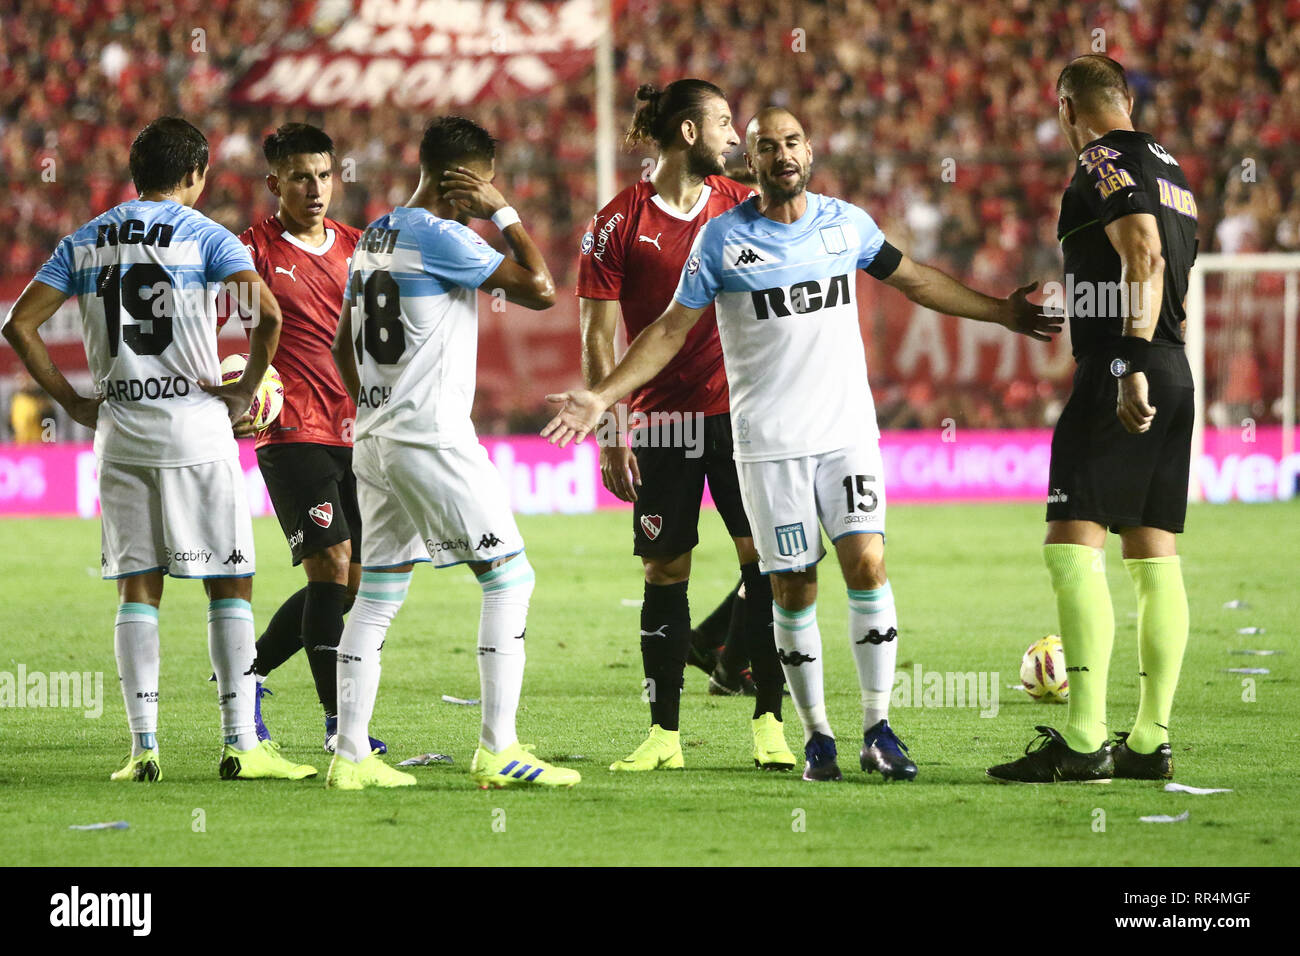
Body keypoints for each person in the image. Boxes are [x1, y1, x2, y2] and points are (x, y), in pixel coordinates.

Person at [545, 108, 1055, 782]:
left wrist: (1002, 312)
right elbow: (669, 331)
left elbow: (916, 279)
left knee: (868, 564)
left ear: (809, 150)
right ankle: (818, 737)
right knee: (790, 585)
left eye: (791, 142)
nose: (782, 154)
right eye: (765, 146)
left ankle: (878, 728)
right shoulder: (722, 242)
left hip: (846, 435)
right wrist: (603, 398)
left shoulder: (847, 224)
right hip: (766, 446)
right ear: (749, 164)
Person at [1, 117, 313, 782]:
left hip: (120, 435)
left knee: (137, 590)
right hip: (197, 432)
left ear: (135, 172)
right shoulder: (207, 235)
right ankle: (241, 744)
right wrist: (245, 391)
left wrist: (72, 402)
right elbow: (271, 318)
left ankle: (143, 748)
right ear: (196, 173)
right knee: (229, 583)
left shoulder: (84, 241)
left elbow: (18, 325)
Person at [326, 116, 580, 790]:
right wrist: (505, 214)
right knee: (510, 577)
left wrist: (373, 407)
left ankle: (350, 756)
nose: (490, 192)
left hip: (375, 436)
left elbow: (340, 346)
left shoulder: (375, 233)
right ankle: (498, 748)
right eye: (485, 181)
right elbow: (541, 287)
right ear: (459, 180)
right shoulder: (446, 236)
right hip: (430, 435)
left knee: (376, 595)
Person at [988, 56, 1198, 784]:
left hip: (1125, 367)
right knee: (1152, 552)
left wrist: (1127, 359)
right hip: (1175, 367)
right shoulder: (1171, 167)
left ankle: (1082, 744)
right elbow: (1151, 260)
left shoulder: (1101, 157)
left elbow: (1141, 251)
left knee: (1072, 545)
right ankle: (1149, 742)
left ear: (1068, 105)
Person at [577, 79, 792, 772]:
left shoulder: (744, 206)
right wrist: (611, 425)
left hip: (744, 417)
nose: (737, 137)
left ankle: (770, 724)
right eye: (726, 123)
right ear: (689, 134)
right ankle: (664, 735)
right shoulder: (616, 224)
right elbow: (596, 336)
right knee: (665, 569)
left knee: (766, 561)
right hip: (663, 424)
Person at [224, 122, 385, 756]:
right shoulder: (249, 249)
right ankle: (342, 730)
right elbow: (216, 315)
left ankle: (251, 672)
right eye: (299, 177)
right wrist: (239, 386)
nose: (315, 188)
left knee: (350, 585)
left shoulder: (359, 247)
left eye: (323, 174)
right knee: (331, 564)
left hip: (359, 431)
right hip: (290, 429)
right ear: (274, 184)